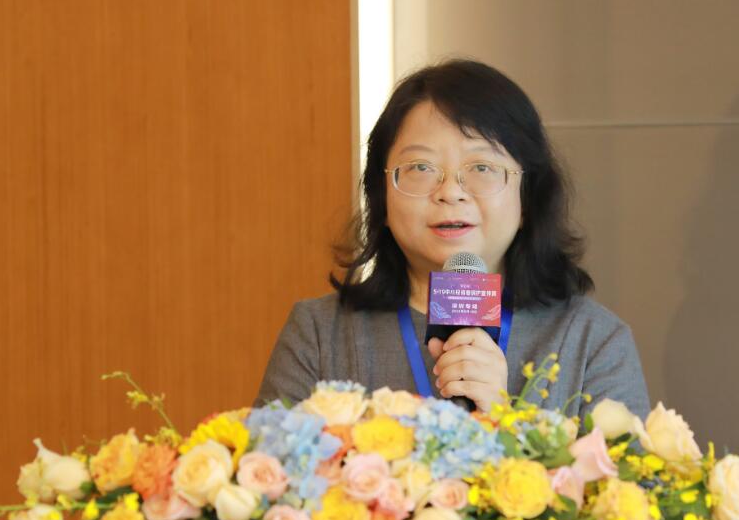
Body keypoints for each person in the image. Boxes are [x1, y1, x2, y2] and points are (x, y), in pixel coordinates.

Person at [255, 59, 649, 417]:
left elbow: (628, 477)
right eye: (421, 167)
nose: (451, 192)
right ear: (382, 196)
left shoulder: (593, 341)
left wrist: (503, 419)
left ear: (527, 198)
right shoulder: (318, 334)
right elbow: (270, 470)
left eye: (482, 167)